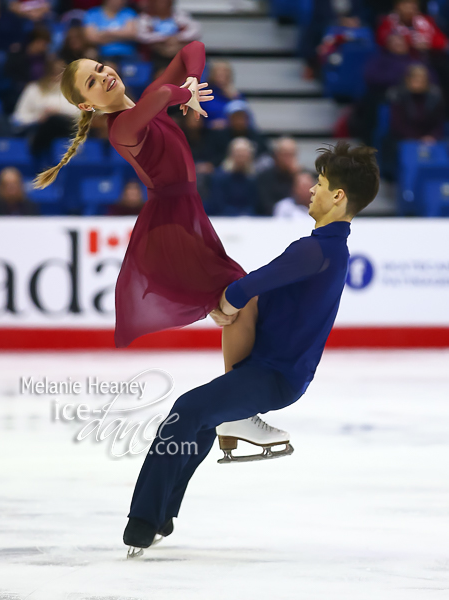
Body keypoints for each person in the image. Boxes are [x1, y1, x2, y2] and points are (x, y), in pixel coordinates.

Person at [122, 142, 381, 556]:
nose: (311, 190)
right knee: (201, 419)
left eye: (320, 183)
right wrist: (230, 300)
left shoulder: (316, 249)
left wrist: (223, 303)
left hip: (274, 375)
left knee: (187, 411)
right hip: (267, 368)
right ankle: (162, 516)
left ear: (338, 197)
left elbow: (246, 288)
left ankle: (142, 520)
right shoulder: (332, 249)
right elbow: (251, 293)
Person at [33, 41, 286, 452]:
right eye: (92, 83)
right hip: (169, 226)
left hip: (185, 215)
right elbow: (166, 96)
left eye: (99, 68)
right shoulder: (122, 128)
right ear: (86, 106)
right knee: (239, 298)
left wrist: (193, 77)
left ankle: (236, 411)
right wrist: (187, 91)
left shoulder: (142, 102)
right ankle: (236, 412)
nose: (104, 76)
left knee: (238, 303)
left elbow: (193, 46)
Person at [11, 57, 80, 157]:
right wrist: (38, 118)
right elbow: (17, 118)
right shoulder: (33, 89)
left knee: (56, 120)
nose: (56, 77)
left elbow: (80, 114)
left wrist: (57, 111)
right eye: (53, 72)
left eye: (61, 73)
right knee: (50, 122)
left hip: (67, 130)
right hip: (38, 130)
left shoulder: (72, 92)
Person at [137, 0, 201, 71]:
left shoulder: (180, 15)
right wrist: (164, 38)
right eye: (159, 2)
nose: (162, 5)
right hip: (156, 53)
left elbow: (195, 31)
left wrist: (177, 38)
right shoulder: (146, 18)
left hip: (178, 47)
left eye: (165, 2)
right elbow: (142, 36)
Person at [206, 100, 267, 168]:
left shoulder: (257, 137)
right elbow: (213, 158)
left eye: (241, 117)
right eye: (235, 117)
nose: (239, 121)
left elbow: (264, 157)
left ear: (247, 119)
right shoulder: (219, 137)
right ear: (229, 119)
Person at [207, 137, 259, 217]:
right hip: (224, 218)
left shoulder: (253, 178)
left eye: (244, 154)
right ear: (231, 155)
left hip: (248, 219)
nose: (241, 157)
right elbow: (218, 204)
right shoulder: (220, 177)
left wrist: (246, 215)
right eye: (238, 154)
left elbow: (255, 204)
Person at [256, 137, 301, 216]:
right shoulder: (264, 177)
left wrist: (296, 178)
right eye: (285, 154)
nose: (288, 159)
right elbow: (265, 206)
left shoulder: (301, 176)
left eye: (292, 154)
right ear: (276, 155)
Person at [206, 60, 245, 128]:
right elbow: (194, 121)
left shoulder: (236, 95)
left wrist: (234, 98)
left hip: (231, 132)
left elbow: (244, 118)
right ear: (212, 74)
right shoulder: (204, 93)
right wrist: (209, 124)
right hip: (208, 132)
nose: (222, 75)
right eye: (219, 71)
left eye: (225, 71)